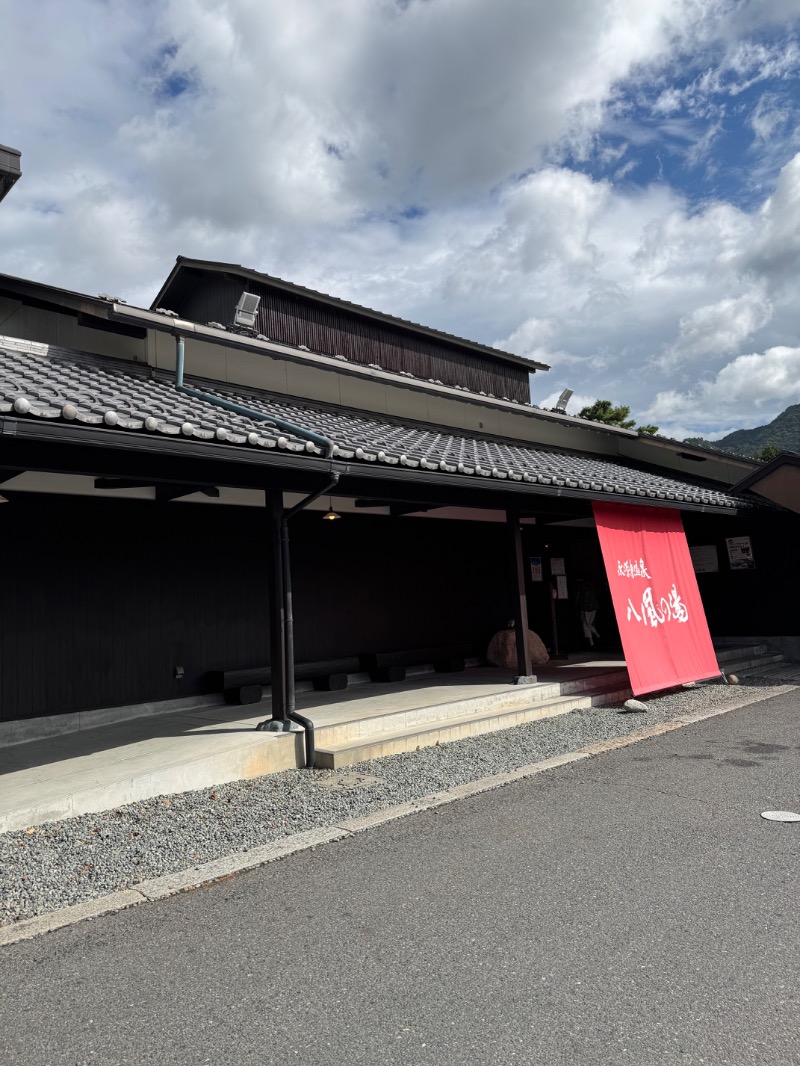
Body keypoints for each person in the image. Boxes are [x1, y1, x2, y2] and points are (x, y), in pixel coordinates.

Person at [576, 578, 600, 648]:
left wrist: (576, 605)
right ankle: (596, 634)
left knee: (585, 624)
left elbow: (578, 598)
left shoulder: (581, 588)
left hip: (586, 607)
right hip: (594, 606)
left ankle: (591, 640)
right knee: (589, 623)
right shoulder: (591, 587)